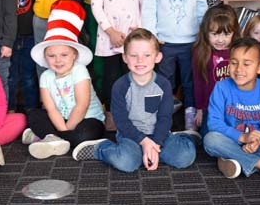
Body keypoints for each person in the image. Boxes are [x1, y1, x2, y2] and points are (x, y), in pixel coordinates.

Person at [71, 29, 197, 172]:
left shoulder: (163, 85)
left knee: (185, 157)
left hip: (160, 134)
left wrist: (155, 143)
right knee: (126, 163)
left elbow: (165, 118)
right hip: (130, 135)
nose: (140, 60)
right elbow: (122, 122)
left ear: (158, 57)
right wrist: (144, 142)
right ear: (125, 57)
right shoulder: (120, 86)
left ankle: (183, 139)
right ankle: (101, 149)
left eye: (147, 55)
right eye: (133, 55)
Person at [203, 37, 260, 180]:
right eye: (234, 63)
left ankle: (232, 159)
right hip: (232, 140)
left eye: (246, 64)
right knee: (211, 140)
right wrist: (242, 137)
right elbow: (214, 123)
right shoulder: (221, 88)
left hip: (257, 144)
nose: (239, 69)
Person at [23, 0, 105, 159]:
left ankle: (50, 138)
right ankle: (58, 139)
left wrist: (64, 131)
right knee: (34, 115)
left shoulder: (79, 71)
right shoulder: (46, 76)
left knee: (88, 132)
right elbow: (51, 108)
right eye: (51, 56)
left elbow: (82, 105)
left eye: (64, 55)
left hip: (87, 118)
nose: (58, 60)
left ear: (74, 55)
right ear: (45, 57)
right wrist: (64, 129)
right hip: (61, 120)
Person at [141, 0, 207, 132]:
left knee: (189, 82)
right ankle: (164, 120)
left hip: (191, 43)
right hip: (165, 43)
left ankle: (190, 118)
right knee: (164, 82)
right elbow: (148, 12)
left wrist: (203, 35)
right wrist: (152, 37)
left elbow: (202, 9)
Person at [90, 0, 146, 129]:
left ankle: (134, 112)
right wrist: (110, 31)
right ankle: (112, 113)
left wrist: (138, 28)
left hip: (133, 35)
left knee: (133, 73)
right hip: (110, 35)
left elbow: (143, 3)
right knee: (111, 77)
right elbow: (96, 7)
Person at [1, 0, 40, 112]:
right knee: (10, 77)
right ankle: (9, 110)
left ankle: (31, 111)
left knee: (29, 75)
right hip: (8, 38)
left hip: (30, 34)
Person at [192, 4, 240, 134]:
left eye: (226, 34)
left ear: (234, 33)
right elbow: (198, 83)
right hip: (211, 108)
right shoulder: (201, 52)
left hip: (235, 107)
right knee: (208, 137)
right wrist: (200, 109)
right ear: (206, 32)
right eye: (214, 34)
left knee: (238, 132)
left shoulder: (238, 51)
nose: (220, 40)